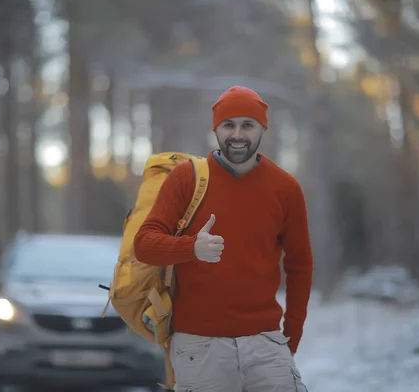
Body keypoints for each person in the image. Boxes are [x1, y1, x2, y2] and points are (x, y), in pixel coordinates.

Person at [133, 85, 313, 391]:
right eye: (228, 125)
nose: (237, 134)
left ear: (262, 128)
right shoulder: (187, 178)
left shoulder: (286, 188)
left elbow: (300, 265)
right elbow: (144, 244)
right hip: (199, 347)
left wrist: (290, 336)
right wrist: (191, 248)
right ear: (216, 128)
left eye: (248, 125)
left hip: (266, 345)